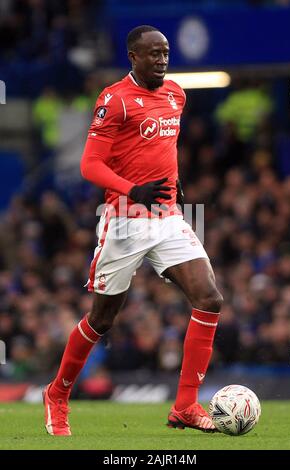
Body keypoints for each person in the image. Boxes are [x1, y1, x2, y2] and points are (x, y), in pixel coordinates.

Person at [43, 25, 223, 436]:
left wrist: (172, 182)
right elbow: (90, 165)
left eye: (165, 52)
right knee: (102, 319)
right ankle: (56, 394)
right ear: (133, 57)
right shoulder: (115, 100)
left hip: (169, 217)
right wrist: (132, 188)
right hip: (124, 220)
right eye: (153, 53)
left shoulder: (177, 94)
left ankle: (185, 405)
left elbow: (161, 149)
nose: (162, 59)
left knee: (209, 298)